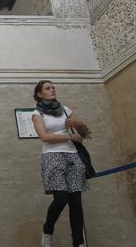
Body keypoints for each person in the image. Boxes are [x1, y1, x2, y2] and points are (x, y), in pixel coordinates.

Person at [31, 80, 89, 247]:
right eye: (48, 88)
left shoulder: (65, 110)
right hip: (52, 156)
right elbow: (45, 137)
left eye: (53, 87)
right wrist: (70, 137)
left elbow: (84, 134)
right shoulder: (37, 114)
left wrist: (79, 124)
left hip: (73, 155)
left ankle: (79, 243)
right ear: (40, 94)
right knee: (61, 199)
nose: (52, 90)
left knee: (76, 202)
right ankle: (48, 229)